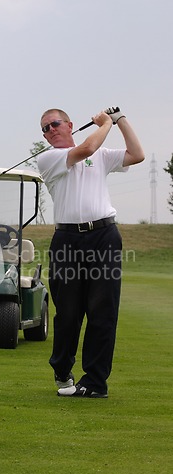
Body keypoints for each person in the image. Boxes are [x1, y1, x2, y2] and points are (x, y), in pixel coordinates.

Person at [37, 107, 144, 398]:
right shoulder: (48, 158)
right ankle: (62, 368)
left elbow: (137, 154)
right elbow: (86, 148)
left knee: (102, 312)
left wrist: (120, 120)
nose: (50, 131)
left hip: (104, 237)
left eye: (54, 124)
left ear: (70, 124)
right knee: (69, 313)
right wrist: (106, 123)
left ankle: (95, 382)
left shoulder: (102, 153)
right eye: (45, 129)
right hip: (67, 240)